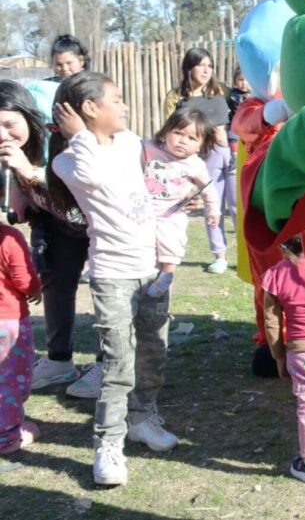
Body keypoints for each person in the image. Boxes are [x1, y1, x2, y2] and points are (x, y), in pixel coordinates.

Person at [48, 71, 177, 486]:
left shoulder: (127, 143)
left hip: (149, 268)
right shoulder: (68, 159)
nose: (123, 106)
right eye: (115, 99)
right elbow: (95, 179)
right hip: (112, 275)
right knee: (118, 365)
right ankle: (109, 445)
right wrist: (79, 137)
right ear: (89, 108)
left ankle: (143, 418)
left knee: (153, 352)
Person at [23, 37, 102, 398]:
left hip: (100, 216)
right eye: (59, 64)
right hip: (55, 211)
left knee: (107, 287)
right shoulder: (40, 96)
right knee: (57, 282)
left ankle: (107, 364)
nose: (64, 69)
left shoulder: (99, 96)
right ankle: (58, 360)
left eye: (70, 63)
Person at [262, 236, 305, 484]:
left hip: (299, 352)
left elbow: (271, 322)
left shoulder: (275, 274)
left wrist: (278, 357)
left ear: (282, 245)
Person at [162, 48, 230, 274]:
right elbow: (170, 129)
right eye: (201, 65)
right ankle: (219, 255)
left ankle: (250, 255)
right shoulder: (176, 97)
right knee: (214, 204)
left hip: (230, 153)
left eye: (209, 65)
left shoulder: (222, 91)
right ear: (188, 68)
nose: (206, 70)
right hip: (203, 157)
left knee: (240, 207)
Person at [143, 107, 221, 298]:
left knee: (172, 241)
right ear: (166, 131)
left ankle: (167, 274)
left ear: (201, 145)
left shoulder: (195, 165)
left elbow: (208, 189)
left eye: (192, 138)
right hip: (144, 210)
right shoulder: (149, 148)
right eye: (178, 133)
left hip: (172, 213)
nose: (182, 140)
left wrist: (213, 210)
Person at [0, 222, 43, 455]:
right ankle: (7, 438)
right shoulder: (8, 237)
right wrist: (35, 290)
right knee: (10, 381)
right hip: (8, 322)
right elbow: (24, 279)